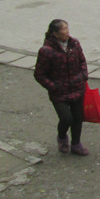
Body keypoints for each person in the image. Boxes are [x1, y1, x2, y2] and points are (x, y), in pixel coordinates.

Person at [33, 19, 90, 155]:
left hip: (77, 87)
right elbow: (39, 74)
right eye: (63, 29)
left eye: (67, 28)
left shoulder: (74, 44)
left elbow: (82, 61)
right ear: (55, 33)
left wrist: (83, 76)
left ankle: (76, 144)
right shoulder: (46, 51)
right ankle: (62, 137)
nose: (67, 31)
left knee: (77, 118)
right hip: (59, 92)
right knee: (66, 118)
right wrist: (53, 86)